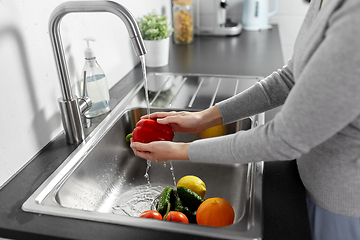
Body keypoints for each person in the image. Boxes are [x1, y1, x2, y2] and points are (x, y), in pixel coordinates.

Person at [130, 0, 360, 239]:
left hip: (341, 201)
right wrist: (205, 117)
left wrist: (180, 150)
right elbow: (290, 77)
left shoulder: (355, 17)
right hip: (308, 176)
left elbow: (283, 139)